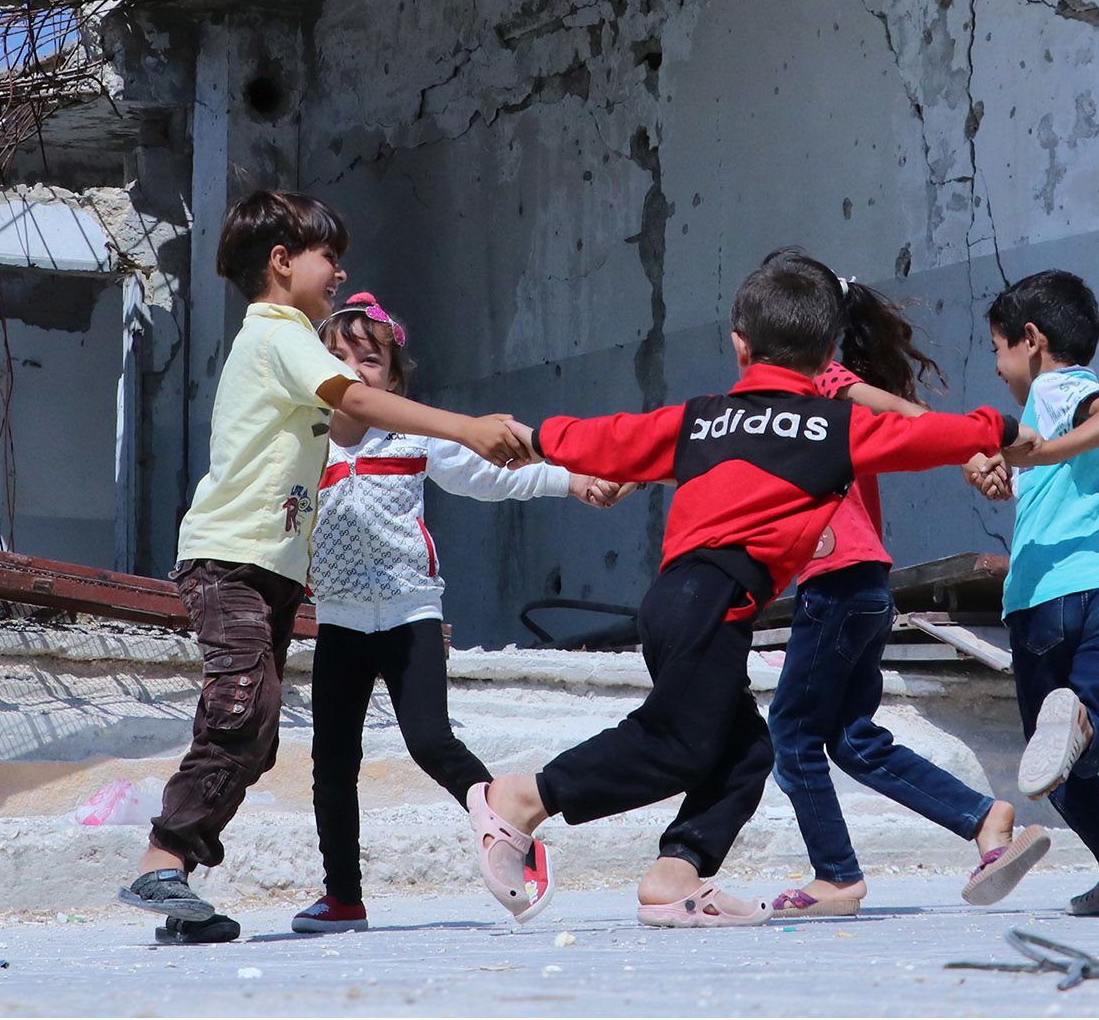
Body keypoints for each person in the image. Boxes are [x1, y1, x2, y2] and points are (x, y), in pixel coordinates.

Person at [466, 249, 1020, 928]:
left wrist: (536, 437)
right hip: (714, 600)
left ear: (738, 344)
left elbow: (610, 438)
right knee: (678, 741)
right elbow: (918, 431)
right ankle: (523, 799)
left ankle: (675, 878)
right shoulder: (827, 422)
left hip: (683, 600)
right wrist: (999, 433)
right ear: (826, 354)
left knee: (747, 750)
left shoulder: (707, 418)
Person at [120, 191, 535, 943]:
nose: (340, 271)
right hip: (230, 562)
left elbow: (357, 415)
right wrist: (467, 426)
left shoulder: (297, 343)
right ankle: (163, 861)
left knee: (257, 730)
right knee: (242, 713)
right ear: (281, 264)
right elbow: (360, 405)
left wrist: (536, 454)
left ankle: (175, 891)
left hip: (272, 571)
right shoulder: (280, 334)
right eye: (328, 257)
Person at [292, 291, 624, 935]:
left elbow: (496, 477)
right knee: (332, 762)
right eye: (337, 356)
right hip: (339, 621)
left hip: (411, 612)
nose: (355, 370)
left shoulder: (414, 435)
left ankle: (507, 829)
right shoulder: (304, 441)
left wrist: (572, 479)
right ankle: (343, 898)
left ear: (392, 379)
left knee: (430, 742)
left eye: (370, 359)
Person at [765, 266, 1048, 919]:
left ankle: (835, 876)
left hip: (840, 584)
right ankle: (983, 819)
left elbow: (899, 412)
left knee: (793, 732)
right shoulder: (795, 396)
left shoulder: (821, 381)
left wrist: (971, 448)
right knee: (851, 738)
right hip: (862, 586)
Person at [967, 269, 1099, 919]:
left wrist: (1036, 457)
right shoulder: (1044, 422)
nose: (997, 367)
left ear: (1032, 339)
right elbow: (1036, 468)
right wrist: (1006, 474)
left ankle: (1079, 731)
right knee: (1069, 754)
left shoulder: (1061, 392)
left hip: (1047, 600)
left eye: (997, 349)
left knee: (1054, 756)